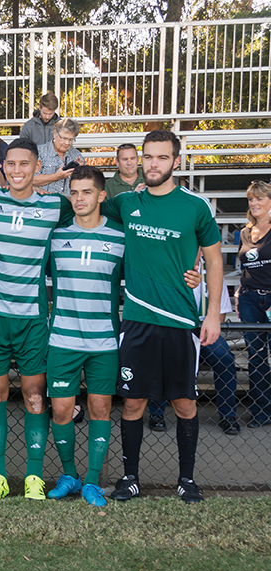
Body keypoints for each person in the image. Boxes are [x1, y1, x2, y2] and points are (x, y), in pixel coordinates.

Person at [103, 129, 224, 504]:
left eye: (161, 157)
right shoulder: (126, 203)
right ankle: (130, 477)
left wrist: (213, 314)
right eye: (148, 157)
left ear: (175, 160)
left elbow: (215, 260)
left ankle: (186, 480)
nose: (153, 164)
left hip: (181, 321)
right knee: (134, 402)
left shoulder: (196, 207)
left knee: (184, 403)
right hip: (138, 319)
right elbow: (86, 208)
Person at [0, 138, 73, 501]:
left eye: (24, 164)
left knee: (34, 396)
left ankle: (33, 476)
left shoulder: (56, 207)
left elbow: (92, 218)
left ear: (37, 168)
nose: (16, 170)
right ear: (3, 166)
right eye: (10, 164)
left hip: (31, 319)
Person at [42, 165, 124, 507]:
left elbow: (143, 273)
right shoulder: (57, 236)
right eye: (74, 192)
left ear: (101, 196)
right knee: (61, 410)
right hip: (62, 338)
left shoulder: (120, 237)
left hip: (104, 339)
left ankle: (92, 481)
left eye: (87, 192)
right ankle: (69, 474)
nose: (79, 198)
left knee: (100, 408)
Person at [148, 253, 239, 435]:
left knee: (225, 358)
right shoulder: (171, 266)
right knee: (161, 358)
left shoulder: (212, 271)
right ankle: (156, 413)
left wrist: (208, 327)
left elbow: (221, 314)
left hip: (203, 330)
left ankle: (228, 416)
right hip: (174, 329)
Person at [234, 179, 271, 428]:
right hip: (249, 299)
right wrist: (239, 291)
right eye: (251, 199)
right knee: (256, 358)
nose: (254, 202)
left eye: (259, 198)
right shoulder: (245, 232)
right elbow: (245, 267)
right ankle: (261, 411)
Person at [33, 118, 84, 195]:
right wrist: (56, 176)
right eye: (64, 138)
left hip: (68, 203)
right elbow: (31, 180)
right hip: (44, 203)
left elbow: (83, 185)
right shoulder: (39, 152)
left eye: (71, 139)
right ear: (54, 134)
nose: (67, 143)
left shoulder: (77, 155)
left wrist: (80, 172)